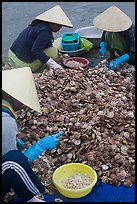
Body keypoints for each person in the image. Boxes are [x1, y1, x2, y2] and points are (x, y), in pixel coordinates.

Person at [2, 67, 63, 202]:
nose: (24, 105)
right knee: (15, 161)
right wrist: (38, 147)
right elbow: (7, 163)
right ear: (14, 97)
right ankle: (35, 198)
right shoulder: (6, 121)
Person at [8, 5, 73, 73]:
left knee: (48, 48)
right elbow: (36, 50)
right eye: (58, 25)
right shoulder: (44, 32)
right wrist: (53, 64)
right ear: (52, 22)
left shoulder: (38, 24)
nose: (59, 28)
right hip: (22, 65)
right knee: (53, 51)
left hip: (12, 56)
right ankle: (38, 71)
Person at [93, 5, 135, 70]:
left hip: (131, 54)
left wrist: (120, 60)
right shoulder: (109, 26)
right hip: (123, 49)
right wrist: (102, 45)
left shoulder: (129, 30)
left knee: (115, 36)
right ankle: (112, 56)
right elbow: (104, 36)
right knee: (108, 34)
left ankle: (123, 61)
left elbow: (131, 50)